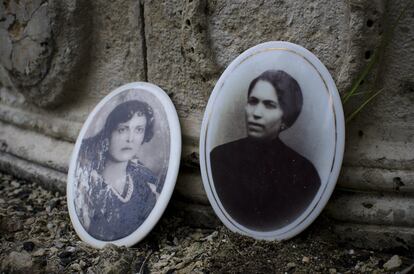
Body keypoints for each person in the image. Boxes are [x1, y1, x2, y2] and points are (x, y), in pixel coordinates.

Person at [210, 70, 321, 231]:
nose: (256, 114)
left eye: (269, 105)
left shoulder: (304, 173)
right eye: (253, 102)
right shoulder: (219, 157)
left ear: (285, 119)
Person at [74, 100, 158, 241]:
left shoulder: (144, 185)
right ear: (108, 134)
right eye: (122, 129)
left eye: (138, 130)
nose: (130, 139)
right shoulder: (87, 185)